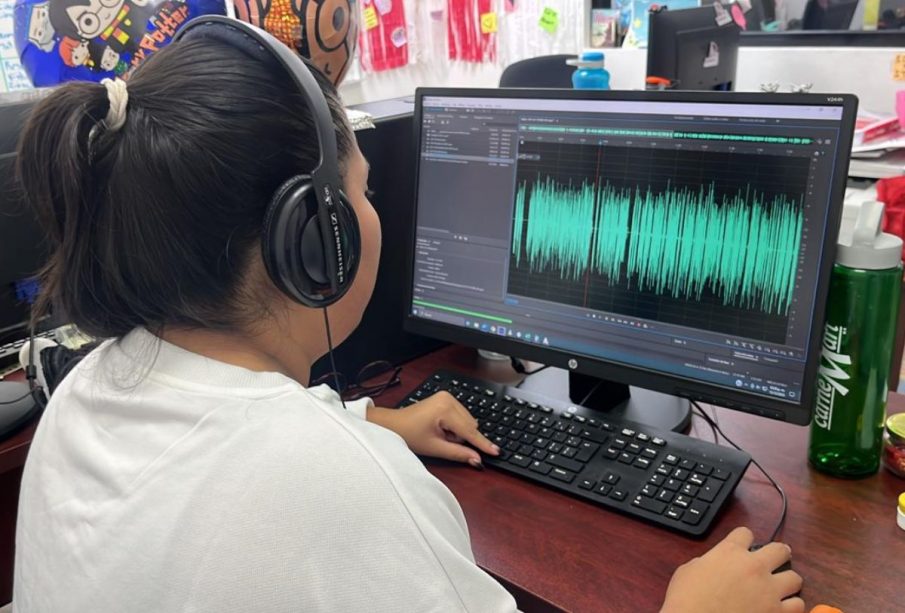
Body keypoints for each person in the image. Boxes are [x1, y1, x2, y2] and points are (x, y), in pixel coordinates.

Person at [12, 22, 804, 613]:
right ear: (314, 240)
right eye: (361, 191)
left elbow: (216, 464)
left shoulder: (89, 395)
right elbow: (280, 483)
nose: (373, 211)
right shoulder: (339, 488)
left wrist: (367, 420)